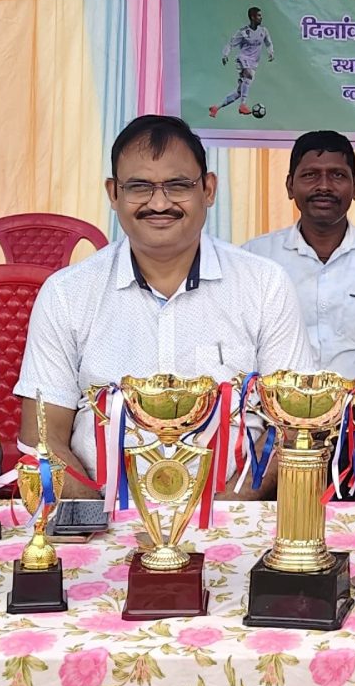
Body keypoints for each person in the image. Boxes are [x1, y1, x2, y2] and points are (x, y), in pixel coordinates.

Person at [19, 116, 312, 498]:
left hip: (232, 517)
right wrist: (98, 521)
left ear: (208, 189)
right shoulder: (66, 293)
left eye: (178, 185)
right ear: (113, 193)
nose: (159, 203)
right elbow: (43, 436)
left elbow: (293, 425)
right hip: (102, 519)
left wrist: (225, 514)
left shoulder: (264, 285)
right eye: (139, 187)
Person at [251, 131, 355, 387]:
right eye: (310, 175)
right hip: (275, 408)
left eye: (337, 175)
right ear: (290, 186)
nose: (324, 186)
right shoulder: (256, 258)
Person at [211, 7, 275, 119]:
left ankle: (216, 108)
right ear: (252, 17)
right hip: (243, 59)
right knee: (248, 75)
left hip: (254, 63)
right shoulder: (243, 32)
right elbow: (231, 44)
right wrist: (225, 54)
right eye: (259, 15)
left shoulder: (263, 31)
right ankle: (243, 105)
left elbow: (268, 42)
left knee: (239, 91)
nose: (261, 17)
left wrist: (271, 52)